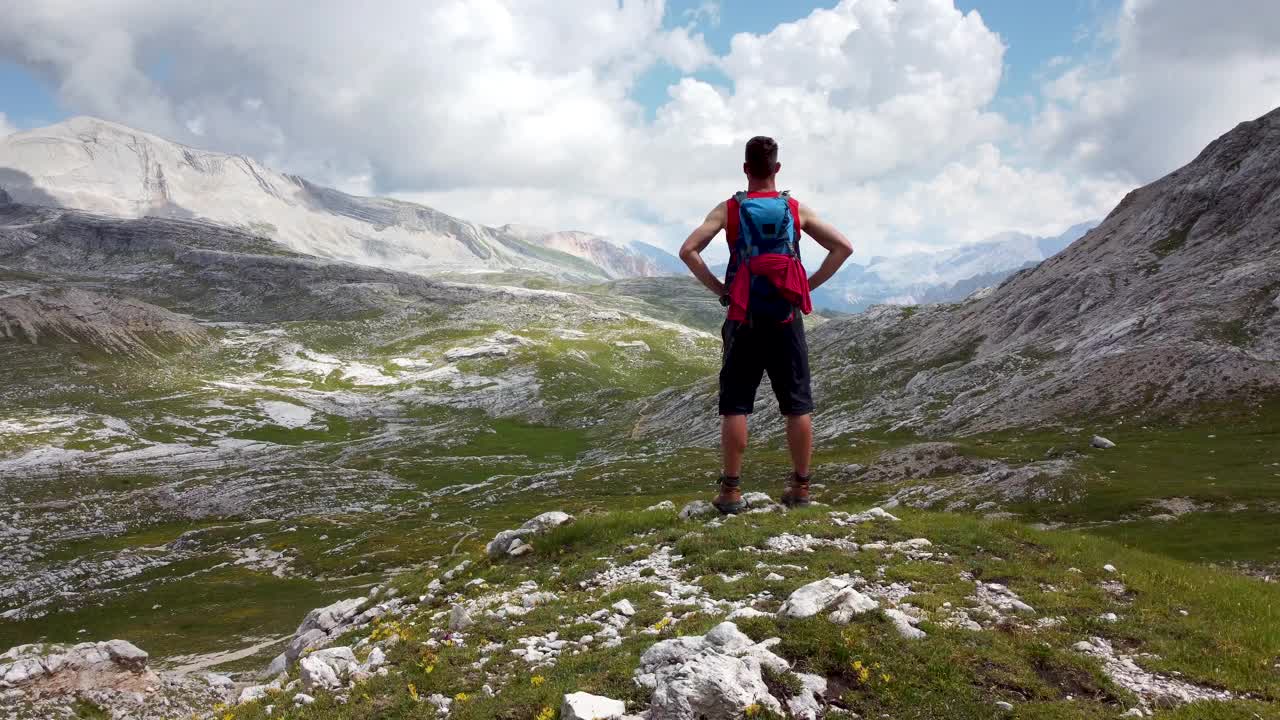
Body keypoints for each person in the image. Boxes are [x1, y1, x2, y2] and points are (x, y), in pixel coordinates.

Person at [678, 136, 853, 514]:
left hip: (743, 317)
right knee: (797, 405)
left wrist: (720, 289)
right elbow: (843, 247)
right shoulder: (795, 208)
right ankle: (801, 488)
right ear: (776, 169)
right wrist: (806, 285)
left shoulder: (729, 210)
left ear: (745, 169)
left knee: (736, 404)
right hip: (787, 318)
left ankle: (730, 492)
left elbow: (688, 251)